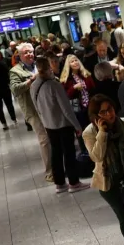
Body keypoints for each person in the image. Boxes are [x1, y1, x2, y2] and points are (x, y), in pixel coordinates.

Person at [83, 94, 124, 245]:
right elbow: (96, 156)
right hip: (109, 182)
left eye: (110, 109)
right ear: (96, 116)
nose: (109, 114)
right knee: (123, 216)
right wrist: (102, 133)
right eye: (103, 112)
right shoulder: (89, 132)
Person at [31, 56, 88, 194]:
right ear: (48, 68)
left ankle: (60, 183)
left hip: (49, 125)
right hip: (63, 124)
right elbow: (66, 109)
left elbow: (36, 107)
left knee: (56, 154)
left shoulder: (34, 86)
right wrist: (77, 126)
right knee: (69, 153)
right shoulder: (54, 85)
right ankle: (74, 182)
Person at [10, 43, 52, 181]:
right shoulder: (15, 71)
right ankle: (50, 172)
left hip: (48, 106)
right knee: (44, 140)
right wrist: (30, 81)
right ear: (20, 56)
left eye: (31, 52)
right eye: (26, 53)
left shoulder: (40, 65)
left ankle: (59, 166)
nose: (29, 54)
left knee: (54, 137)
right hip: (33, 110)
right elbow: (15, 90)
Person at [61, 54, 95, 129]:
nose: (75, 62)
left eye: (76, 60)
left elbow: (93, 89)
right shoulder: (66, 80)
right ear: (68, 65)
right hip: (78, 109)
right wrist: (74, 87)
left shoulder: (86, 75)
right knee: (84, 129)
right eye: (72, 61)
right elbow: (65, 96)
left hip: (90, 106)